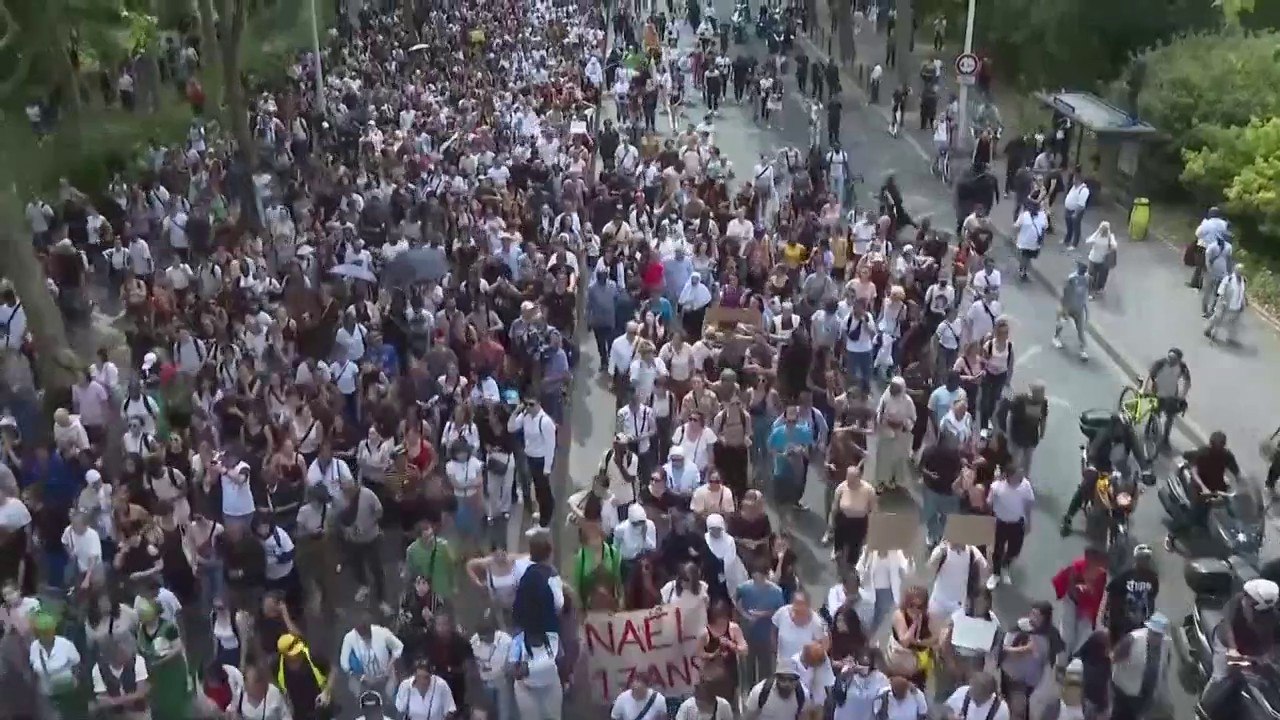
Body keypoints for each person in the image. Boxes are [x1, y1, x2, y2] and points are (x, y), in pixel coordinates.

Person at [1165, 430, 1240, 551]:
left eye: (1221, 444)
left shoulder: (1227, 455)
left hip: (1217, 487)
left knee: (1232, 510)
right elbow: (1194, 471)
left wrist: (1243, 484)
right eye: (1216, 444)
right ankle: (1171, 536)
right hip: (1199, 487)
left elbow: (1237, 472)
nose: (1218, 447)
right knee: (1192, 515)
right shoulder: (1203, 452)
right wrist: (1203, 488)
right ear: (1211, 443)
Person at [1109, 613, 1173, 720]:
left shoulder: (1166, 644)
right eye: (1154, 633)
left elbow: (1165, 668)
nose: (1156, 638)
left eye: (1159, 635)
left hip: (1146, 694)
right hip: (1124, 692)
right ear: (1149, 630)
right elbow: (1113, 659)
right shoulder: (1133, 639)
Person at [339, 612, 405, 703]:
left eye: (365, 628)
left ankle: (389, 707)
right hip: (362, 678)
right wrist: (362, 677)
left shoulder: (382, 632)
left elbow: (399, 646)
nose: (363, 631)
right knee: (355, 687)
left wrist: (390, 665)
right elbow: (344, 664)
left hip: (385, 675)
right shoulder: (349, 638)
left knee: (390, 693)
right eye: (359, 629)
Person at [1104, 544, 1159, 641]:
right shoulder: (1125, 575)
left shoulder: (1152, 578)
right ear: (1137, 559)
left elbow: (1152, 596)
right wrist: (1107, 612)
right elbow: (1110, 591)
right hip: (1123, 622)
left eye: (1147, 558)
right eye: (1143, 558)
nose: (1146, 561)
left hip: (1142, 623)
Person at [743, 660, 808, 720]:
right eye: (783, 679)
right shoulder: (759, 692)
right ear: (776, 678)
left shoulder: (803, 694)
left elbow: (804, 716)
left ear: (797, 680)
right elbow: (749, 717)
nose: (787, 684)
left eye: (792, 679)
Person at [1052, 260, 1090, 361]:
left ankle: (1082, 349)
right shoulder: (1072, 279)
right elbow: (1065, 294)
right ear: (1078, 268)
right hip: (1068, 307)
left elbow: (1084, 293)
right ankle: (1056, 337)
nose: (1084, 270)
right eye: (1083, 268)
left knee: (1080, 329)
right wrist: (1064, 308)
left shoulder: (1086, 279)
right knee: (1061, 324)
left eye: (1085, 269)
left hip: (1079, 307)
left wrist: (1085, 307)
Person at [940, 671, 1009, 720]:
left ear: (989, 695)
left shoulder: (1001, 709)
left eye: (977, 696)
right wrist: (950, 716)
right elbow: (945, 708)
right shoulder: (963, 691)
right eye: (972, 690)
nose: (972, 697)